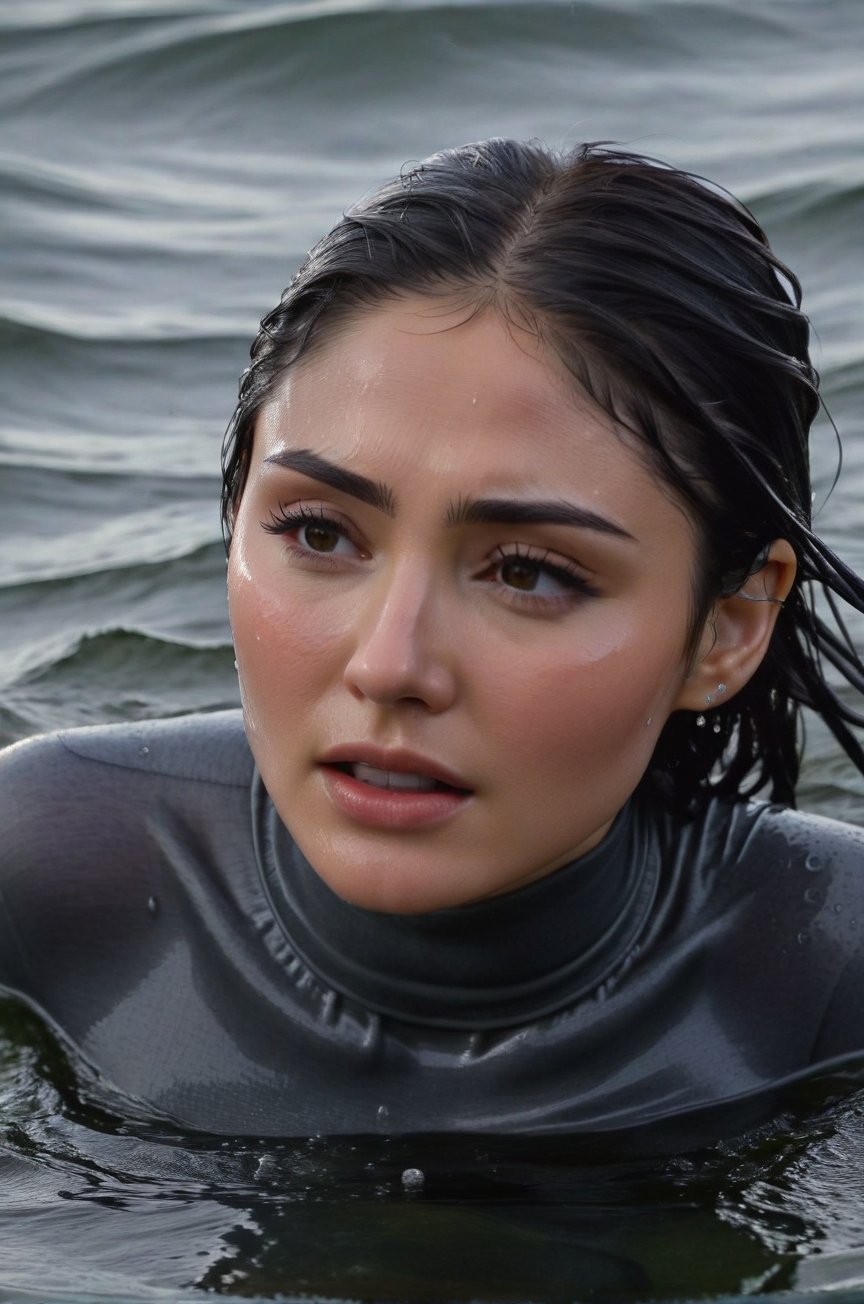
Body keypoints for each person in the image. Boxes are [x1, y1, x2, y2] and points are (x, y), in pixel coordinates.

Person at [2, 139, 864, 1144]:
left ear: (729, 627)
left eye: (531, 573)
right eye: (320, 533)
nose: (389, 664)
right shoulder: (49, 878)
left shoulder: (828, 980)